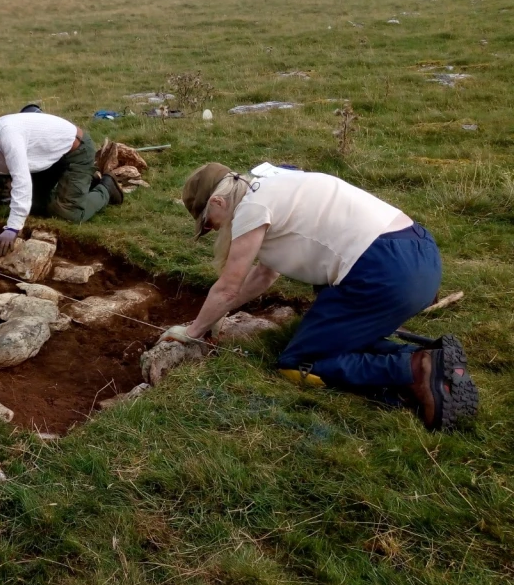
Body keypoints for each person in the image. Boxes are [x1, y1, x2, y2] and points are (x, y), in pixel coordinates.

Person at [162, 163, 479, 431]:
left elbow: (229, 286)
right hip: (418, 254)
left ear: (217, 203)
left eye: (207, 224)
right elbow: (264, 275)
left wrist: (191, 333)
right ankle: (436, 362)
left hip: (382, 273)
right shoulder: (273, 179)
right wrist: (217, 315)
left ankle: (414, 367)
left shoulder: (249, 209)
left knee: (299, 363)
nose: (214, 230)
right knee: (335, 339)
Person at [0, 112, 123, 255]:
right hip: (45, 159)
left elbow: (21, 179)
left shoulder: (7, 135)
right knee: (34, 205)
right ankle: (80, 184)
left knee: (68, 213)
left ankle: (106, 187)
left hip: (74, 152)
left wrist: (13, 227)